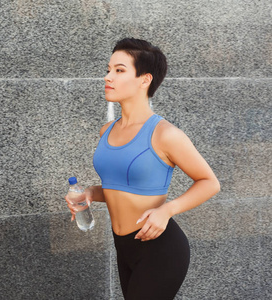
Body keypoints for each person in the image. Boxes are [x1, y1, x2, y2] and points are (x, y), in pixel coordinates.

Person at [65, 38, 220, 300]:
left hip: (159, 248)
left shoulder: (165, 134)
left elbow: (209, 182)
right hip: (124, 247)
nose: (108, 77)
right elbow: (121, 186)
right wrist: (91, 192)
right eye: (109, 69)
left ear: (144, 80)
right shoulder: (107, 131)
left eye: (119, 70)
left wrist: (167, 210)